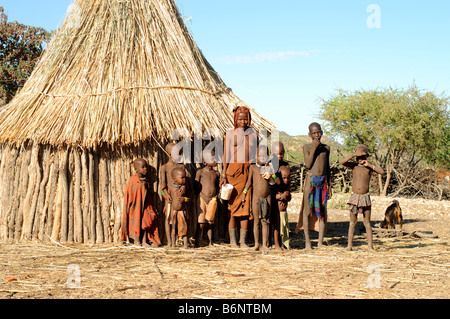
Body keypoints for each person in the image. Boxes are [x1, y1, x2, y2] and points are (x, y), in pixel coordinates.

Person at [220, 105, 257, 248]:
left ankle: (242, 241)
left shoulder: (253, 134)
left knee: (245, 210)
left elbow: (254, 155)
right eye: (240, 119)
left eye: (245, 119)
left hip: (247, 173)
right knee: (232, 209)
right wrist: (224, 175)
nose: (243, 122)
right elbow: (226, 155)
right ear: (236, 119)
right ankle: (233, 241)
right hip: (232, 173)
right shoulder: (230, 134)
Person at [340, 144, 384, 251]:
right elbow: (342, 162)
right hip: (354, 197)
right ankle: (349, 246)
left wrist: (370, 165)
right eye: (358, 157)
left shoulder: (368, 168)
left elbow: (382, 172)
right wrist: (352, 155)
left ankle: (370, 246)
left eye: (363, 157)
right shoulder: (353, 166)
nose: (360, 159)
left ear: (366, 157)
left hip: (365, 197)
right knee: (352, 222)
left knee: (367, 222)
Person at [295, 122, 331, 250]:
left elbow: (327, 168)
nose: (317, 135)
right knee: (306, 211)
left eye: (319, 132)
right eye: (314, 133)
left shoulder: (326, 148)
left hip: (323, 182)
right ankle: (308, 243)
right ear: (309, 134)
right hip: (311, 180)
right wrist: (315, 147)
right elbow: (308, 164)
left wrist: (330, 187)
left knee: (321, 212)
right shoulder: (307, 147)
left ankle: (320, 243)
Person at [243, 146, 279, 251]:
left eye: (265, 155)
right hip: (256, 197)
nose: (262, 157)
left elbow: (277, 182)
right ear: (255, 156)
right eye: (260, 155)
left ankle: (264, 245)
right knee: (256, 222)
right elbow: (249, 182)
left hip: (267, 197)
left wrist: (272, 175)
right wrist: (244, 193)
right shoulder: (253, 168)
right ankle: (256, 244)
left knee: (265, 221)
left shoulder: (270, 168)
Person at [121, 159, 161, 247]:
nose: (145, 169)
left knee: (145, 222)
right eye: (142, 167)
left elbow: (149, 193)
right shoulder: (133, 180)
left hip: (146, 206)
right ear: (136, 169)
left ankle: (144, 241)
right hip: (135, 207)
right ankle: (136, 241)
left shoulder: (147, 180)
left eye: (146, 167)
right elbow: (129, 194)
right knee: (135, 222)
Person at [159, 142, 185, 247]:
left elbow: (185, 182)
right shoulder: (164, 167)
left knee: (181, 218)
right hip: (169, 198)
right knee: (168, 219)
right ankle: (169, 242)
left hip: (179, 197)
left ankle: (181, 239)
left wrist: (183, 187)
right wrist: (165, 195)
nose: (180, 155)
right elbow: (161, 188)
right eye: (178, 153)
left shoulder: (181, 167)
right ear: (170, 154)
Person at [194, 150, 220, 247]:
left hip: (212, 200)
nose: (215, 160)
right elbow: (196, 186)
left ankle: (209, 242)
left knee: (210, 221)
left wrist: (215, 196)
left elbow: (217, 187)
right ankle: (197, 242)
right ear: (204, 162)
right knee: (201, 221)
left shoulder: (216, 174)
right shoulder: (200, 172)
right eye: (212, 158)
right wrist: (203, 196)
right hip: (202, 199)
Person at [167, 166, 191, 249]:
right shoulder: (170, 187)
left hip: (182, 212)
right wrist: (166, 196)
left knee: (184, 228)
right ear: (175, 179)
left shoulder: (185, 188)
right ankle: (173, 244)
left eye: (185, 177)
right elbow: (162, 191)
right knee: (173, 228)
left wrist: (185, 199)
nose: (184, 179)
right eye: (182, 178)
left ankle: (185, 244)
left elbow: (190, 198)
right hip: (173, 212)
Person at [275, 165, 292, 250]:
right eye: (284, 178)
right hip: (278, 213)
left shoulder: (287, 186)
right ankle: (280, 244)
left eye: (288, 178)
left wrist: (287, 195)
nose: (286, 180)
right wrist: (280, 196)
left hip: (284, 212)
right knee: (279, 230)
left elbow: (289, 198)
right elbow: (273, 196)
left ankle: (286, 244)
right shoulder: (276, 186)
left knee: (285, 230)